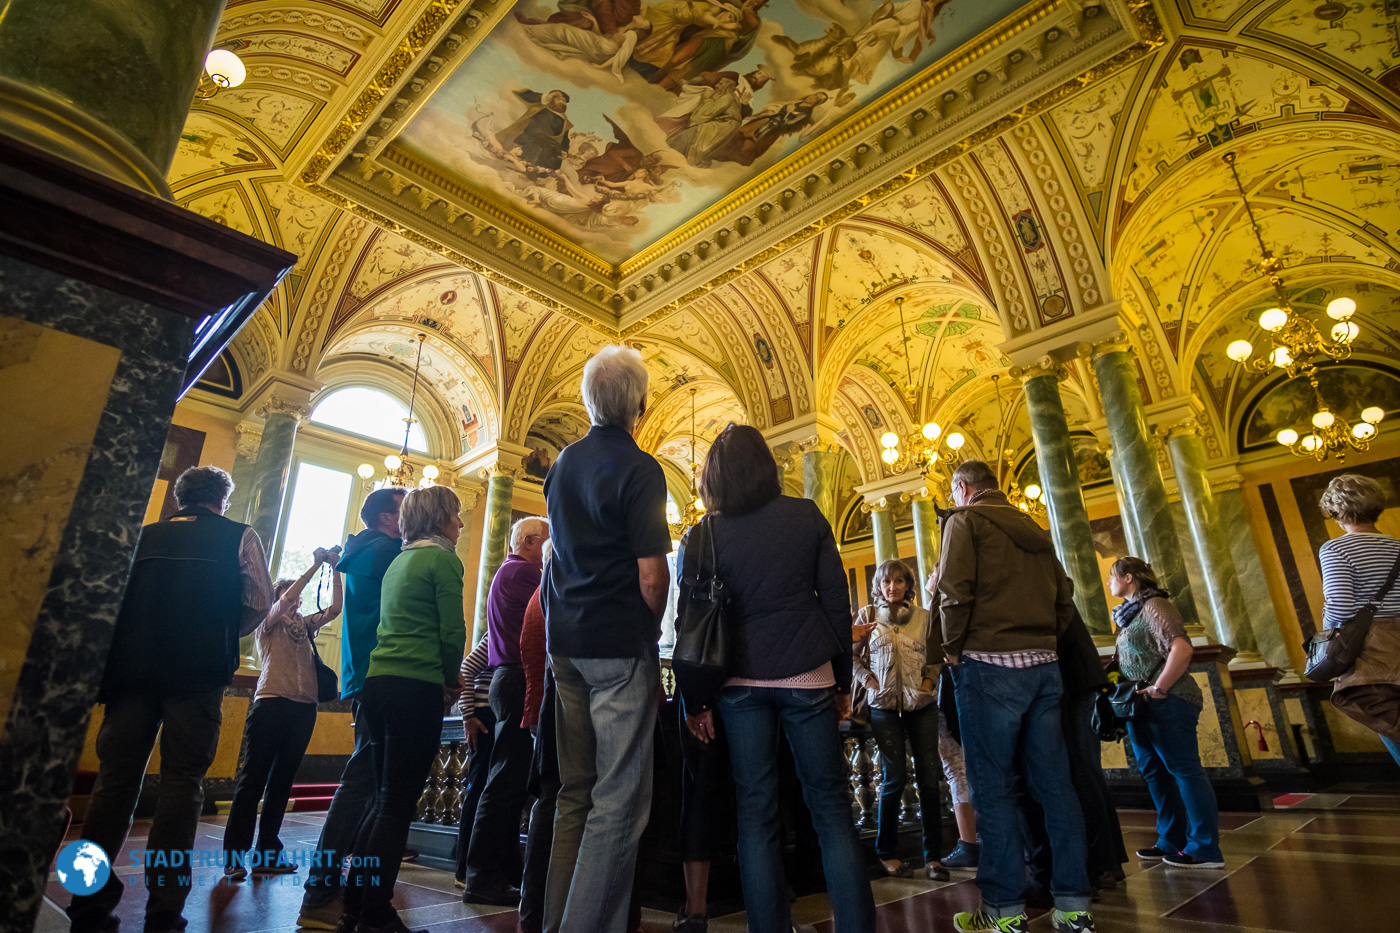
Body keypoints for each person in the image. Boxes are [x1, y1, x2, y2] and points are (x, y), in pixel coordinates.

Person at [679, 423, 876, 933]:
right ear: (768, 468)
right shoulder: (805, 515)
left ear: (713, 478)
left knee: (756, 815)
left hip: (738, 686)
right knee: (831, 809)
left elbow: (690, 624)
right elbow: (836, 602)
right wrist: (840, 683)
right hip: (807, 675)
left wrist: (695, 702)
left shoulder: (703, 535)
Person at [68, 466, 273, 933]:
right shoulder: (239, 536)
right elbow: (258, 602)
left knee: (113, 787)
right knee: (183, 787)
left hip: (131, 676)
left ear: (180, 499)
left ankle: (87, 905)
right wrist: (220, 634)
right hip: (197, 677)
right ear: (222, 499)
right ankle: (164, 910)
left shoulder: (142, 535)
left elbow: (111, 601)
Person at [541, 344, 672, 933]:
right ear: (639, 406)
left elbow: (554, 556)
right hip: (618, 645)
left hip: (563, 643)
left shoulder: (563, 463)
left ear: (588, 400)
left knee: (576, 794)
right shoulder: (642, 469)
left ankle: (557, 921)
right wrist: (649, 632)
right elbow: (652, 573)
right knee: (619, 802)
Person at [936, 459, 1093, 933]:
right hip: (1045, 670)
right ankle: (1073, 906)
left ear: (962, 489)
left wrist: (952, 651)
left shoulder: (964, 522)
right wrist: (1042, 641)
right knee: (1055, 787)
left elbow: (952, 593)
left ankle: (1003, 911)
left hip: (988, 667)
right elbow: (1065, 598)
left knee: (994, 788)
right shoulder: (1035, 529)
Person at [339, 485, 467, 933]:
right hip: (416, 686)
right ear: (438, 519)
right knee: (397, 805)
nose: (460, 523)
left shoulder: (400, 559)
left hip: (377, 683)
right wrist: (452, 680)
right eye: (455, 515)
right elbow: (453, 633)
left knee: (382, 799)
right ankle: (375, 914)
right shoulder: (443, 560)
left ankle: (354, 905)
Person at [300, 486, 405, 930]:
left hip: (365, 674)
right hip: (381, 672)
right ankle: (323, 886)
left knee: (369, 778)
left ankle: (342, 882)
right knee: (364, 779)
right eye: (406, 509)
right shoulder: (386, 551)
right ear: (386, 518)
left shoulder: (365, 549)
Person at [224, 547, 343, 880]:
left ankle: (267, 853)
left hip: (303, 708)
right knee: (253, 781)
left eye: (297, 600)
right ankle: (235, 857)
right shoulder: (267, 623)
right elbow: (289, 595)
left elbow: (334, 609)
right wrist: (315, 563)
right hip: (271, 703)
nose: (295, 602)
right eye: (289, 597)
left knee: (281, 783)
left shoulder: (305, 628)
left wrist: (335, 569)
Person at [1108, 556, 1223, 870]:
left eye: (1112, 577)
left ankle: (1204, 848)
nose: (1108, 583)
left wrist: (1160, 688)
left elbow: (1181, 647)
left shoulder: (1156, 605)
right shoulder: (1129, 614)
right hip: (1140, 706)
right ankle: (1171, 840)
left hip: (1169, 700)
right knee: (1155, 774)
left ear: (1128, 577)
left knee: (1184, 772)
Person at [463, 515, 550, 904]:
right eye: (548, 542)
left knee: (512, 784)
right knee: (503, 784)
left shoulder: (509, 571)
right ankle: (481, 876)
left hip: (511, 680)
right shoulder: (523, 573)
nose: (552, 550)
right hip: (518, 681)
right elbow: (557, 603)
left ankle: (504, 870)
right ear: (531, 542)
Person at [852, 559, 949, 881]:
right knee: (893, 779)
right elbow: (849, 654)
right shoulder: (866, 616)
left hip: (921, 706)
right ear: (878, 585)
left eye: (899, 581)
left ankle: (933, 857)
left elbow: (936, 658)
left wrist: (928, 685)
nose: (892, 587)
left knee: (929, 780)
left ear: (908, 584)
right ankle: (886, 853)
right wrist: (868, 680)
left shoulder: (924, 618)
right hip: (882, 707)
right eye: (886, 582)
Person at [1317, 473, 1400, 766]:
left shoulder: (1336, 549)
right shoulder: (1397, 546)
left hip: (1374, 653)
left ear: (1336, 511)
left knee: (1390, 723)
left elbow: (1339, 607)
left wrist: (1327, 639)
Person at [921, 570, 979, 870]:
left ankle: (970, 842)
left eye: (933, 573)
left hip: (954, 695)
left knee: (958, 769)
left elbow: (936, 648)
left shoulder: (941, 609)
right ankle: (976, 840)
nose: (929, 577)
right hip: (965, 692)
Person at [519, 540, 556, 933]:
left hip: (544, 709)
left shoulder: (540, 591)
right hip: (551, 710)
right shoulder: (548, 592)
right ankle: (537, 911)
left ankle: (535, 910)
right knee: (550, 805)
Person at [452, 634, 496, 889]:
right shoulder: (498, 632)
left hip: (493, 712)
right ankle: (463, 868)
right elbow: (467, 668)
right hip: (485, 715)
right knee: (478, 788)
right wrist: (468, 715)